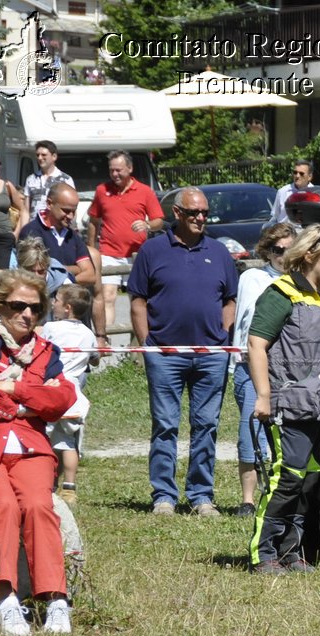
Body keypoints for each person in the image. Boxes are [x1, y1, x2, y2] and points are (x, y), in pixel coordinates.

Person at [244, 224, 320, 574]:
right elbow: (256, 345)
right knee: (287, 478)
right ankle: (263, 553)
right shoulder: (281, 294)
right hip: (290, 407)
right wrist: (264, 395)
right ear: (309, 255)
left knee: (310, 482)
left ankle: (291, 551)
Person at [0, 270, 78, 635]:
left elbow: (63, 398)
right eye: (18, 306)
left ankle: (56, 601)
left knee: (37, 505)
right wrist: (32, 397)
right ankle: (7, 599)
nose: (27, 314)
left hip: (31, 448)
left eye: (35, 307)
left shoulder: (49, 352)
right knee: (1, 504)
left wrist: (14, 389)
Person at [125, 186, 238, 517]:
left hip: (211, 355)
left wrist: (223, 335)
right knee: (165, 424)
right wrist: (147, 342)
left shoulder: (218, 252)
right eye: (194, 213)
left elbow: (229, 298)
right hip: (164, 355)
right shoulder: (153, 251)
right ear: (177, 214)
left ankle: (201, 495)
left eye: (204, 213)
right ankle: (164, 495)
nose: (201, 218)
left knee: (206, 424)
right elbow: (137, 300)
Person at [229, 222, 295, 518]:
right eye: (278, 250)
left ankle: (280, 493)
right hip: (250, 365)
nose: (284, 255)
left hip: (287, 369)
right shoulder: (253, 277)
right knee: (250, 431)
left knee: (286, 433)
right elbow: (244, 323)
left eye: (290, 249)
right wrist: (239, 363)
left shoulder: (301, 281)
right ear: (267, 251)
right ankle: (248, 500)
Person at [88, 151, 163, 337]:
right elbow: (93, 220)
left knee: (137, 300)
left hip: (137, 255)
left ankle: (137, 342)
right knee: (108, 297)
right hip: (108, 252)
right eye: (112, 170)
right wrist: (90, 249)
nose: (115, 174)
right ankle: (106, 341)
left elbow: (159, 220)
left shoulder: (144, 191)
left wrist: (147, 225)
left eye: (119, 170)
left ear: (129, 168)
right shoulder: (101, 190)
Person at [40, 283, 93, 504]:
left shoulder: (51, 328)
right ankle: (69, 487)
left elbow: (40, 349)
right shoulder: (88, 333)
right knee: (69, 443)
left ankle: (46, 482)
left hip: (52, 388)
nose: (53, 303)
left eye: (57, 300)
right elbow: (95, 358)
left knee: (44, 439)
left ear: (68, 307)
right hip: (73, 395)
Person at [18, 183, 98, 298]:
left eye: (73, 211)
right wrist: (75, 269)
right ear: (49, 204)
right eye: (66, 210)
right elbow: (37, 272)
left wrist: (60, 278)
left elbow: (90, 276)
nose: (70, 216)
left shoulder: (72, 236)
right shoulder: (31, 232)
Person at [21, 140, 72, 219]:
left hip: (56, 227)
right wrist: (24, 230)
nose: (40, 158)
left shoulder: (66, 179)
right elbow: (26, 210)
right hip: (35, 227)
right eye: (37, 155)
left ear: (54, 156)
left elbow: (71, 206)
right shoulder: (31, 179)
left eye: (44, 155)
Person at [270, 159, 315, 225]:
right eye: (295, 172)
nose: (297, 176)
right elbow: (275, 217)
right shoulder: (282, 192)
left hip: (306, 233)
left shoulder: (316, 193)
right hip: (285, 233)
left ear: (310, 177)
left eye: (301, 173)